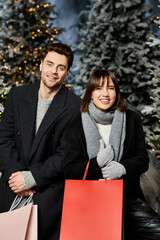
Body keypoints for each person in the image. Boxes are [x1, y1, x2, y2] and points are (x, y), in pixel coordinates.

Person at [63, 69, 160, 239]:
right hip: (90, 202)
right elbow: (69, 169)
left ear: (117, 91)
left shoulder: (132, 119)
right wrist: (96, 164)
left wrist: (122, 168)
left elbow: (142, 159)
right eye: (98, 88)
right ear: (90, 93)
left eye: (110, 88)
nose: (105, 93)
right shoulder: (76, 124)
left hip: (128, 199)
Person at [0, 43, 81, 240]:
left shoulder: (75, 107)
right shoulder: (17, 96)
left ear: (67, 73)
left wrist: (31, 178)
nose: (53, 71)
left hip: (48, 191)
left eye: (60, 67)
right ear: (41, 65)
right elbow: (4, 139)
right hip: (12, 185)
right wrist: (17, 177)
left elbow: (66, 154)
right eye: (50, 64)